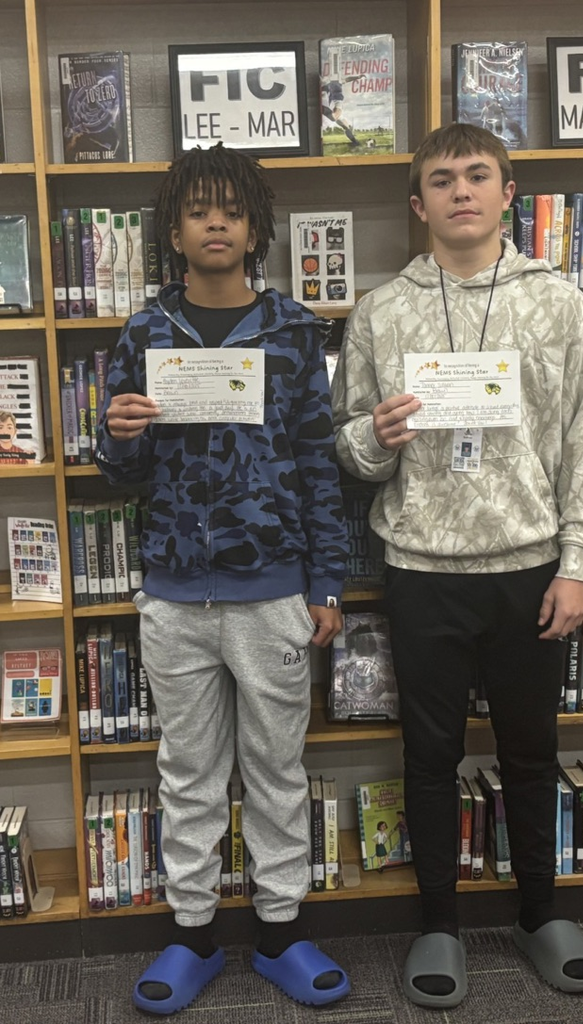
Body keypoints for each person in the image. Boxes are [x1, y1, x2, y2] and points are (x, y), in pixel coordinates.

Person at [331, 122, 583, 1009]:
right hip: (420, 568)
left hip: (530, 566)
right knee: (429, 755)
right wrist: (374, 440)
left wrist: (579, 562)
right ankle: (439, 923)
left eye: (477, 175)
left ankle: (538, 912)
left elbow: (581, 441)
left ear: (505, 194)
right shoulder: (380, 311)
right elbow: (344, 446)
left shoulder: (561, 302)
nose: (460, 191)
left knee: (532, 752)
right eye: (441, 179)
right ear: (417, 205)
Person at [94, 142, 351, 1015]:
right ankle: (192, 933)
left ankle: (279, 930)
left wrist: (325, 584)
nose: (215, 222)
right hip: (172, 596)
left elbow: (318, 466)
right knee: (188, 771)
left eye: (230, 210)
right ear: (173, 229)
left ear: (254, 228)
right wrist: (120, 435)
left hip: (272, 594)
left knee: (278, 769)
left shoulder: (291, 330)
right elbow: (121, 473)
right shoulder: (143, 333)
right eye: (198, 209)